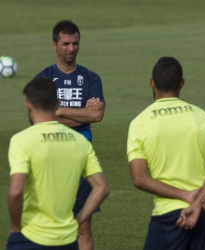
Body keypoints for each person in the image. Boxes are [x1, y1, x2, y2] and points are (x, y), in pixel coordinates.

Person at [127, 57, 205, 250]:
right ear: (182, 83)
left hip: (168, 214)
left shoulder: (140, 123)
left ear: (152, 83)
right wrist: (198, 202)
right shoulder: (202, 118)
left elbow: (139, 178)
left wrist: (186, 196)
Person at [6, 77, 110, 250]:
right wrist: (77, 220)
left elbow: (16, 192)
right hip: (66, 241)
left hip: (29, 238)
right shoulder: (79, 141)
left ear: (28, 105)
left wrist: (16, 227)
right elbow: (102, 188)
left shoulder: (21, 140)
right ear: (57, 103)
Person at [35, 20, 105, 250]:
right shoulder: (42, 80)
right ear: (54, 45)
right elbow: (39, 118)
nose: (71, 48)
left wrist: (59, 110)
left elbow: (97, 114)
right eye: (65, 43)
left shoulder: (91, 78)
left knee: (83, 226)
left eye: (75, 43)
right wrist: (81, 115)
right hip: (49, 159)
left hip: (81, 160)